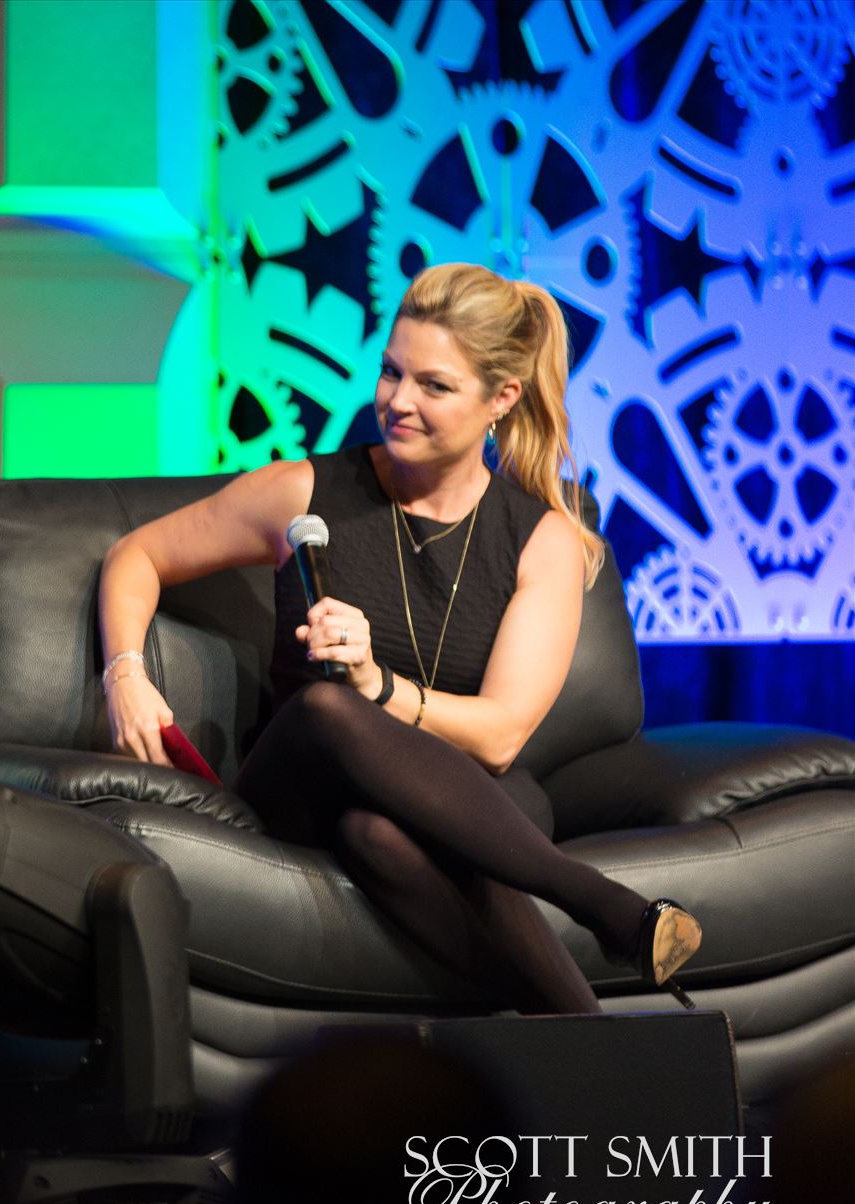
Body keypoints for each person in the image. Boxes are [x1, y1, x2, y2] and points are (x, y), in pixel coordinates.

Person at [97, 262, 701, 1014]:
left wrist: (379, 685)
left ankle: (583, 1035)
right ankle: (604, 905)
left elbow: (503, 735)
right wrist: (125, 672)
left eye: (433, 386)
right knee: (325, 709)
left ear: (501, 399)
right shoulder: (303, 492)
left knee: (382, 832)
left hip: (466, 793)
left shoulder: (544, 540)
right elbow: (136, 555)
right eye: (391, 373)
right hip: (301, 782)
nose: (397, 402)